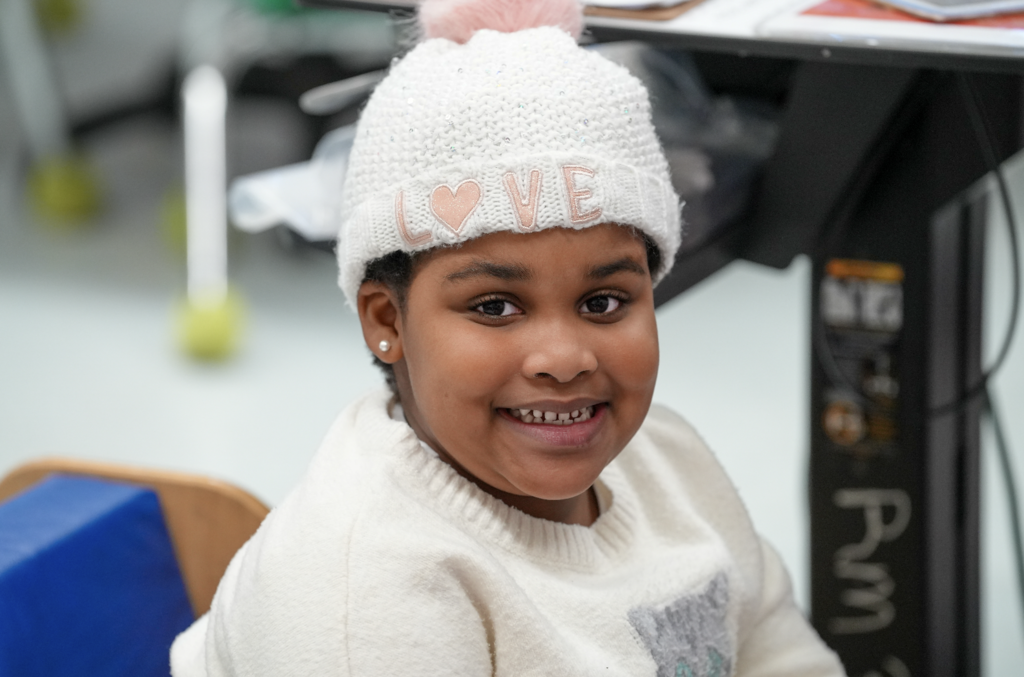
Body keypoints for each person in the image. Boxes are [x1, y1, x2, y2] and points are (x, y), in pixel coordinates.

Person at [170, 1, 846, 675]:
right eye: (495, 306)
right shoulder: (363, 598)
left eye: (604, 300)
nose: (564, 358)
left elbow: (776, 647)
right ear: (386, 320)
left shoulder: (670, 463)